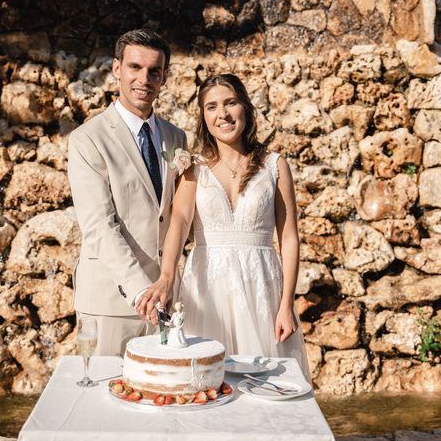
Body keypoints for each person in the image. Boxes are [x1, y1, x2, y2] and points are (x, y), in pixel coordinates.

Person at [136, 74, 310, 380]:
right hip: (206, 288)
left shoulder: (275, 165)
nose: (223, 114)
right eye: (212, 107)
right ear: (204, 118)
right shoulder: (193, 168)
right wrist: (166, 276)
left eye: (231, 103)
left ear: (245, 108)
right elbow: (179, 221)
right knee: (205, 379)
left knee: (265, 380)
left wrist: (286, 304)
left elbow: (289, 237)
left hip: (262, 289)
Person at [68, 29, 187, 356]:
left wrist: (165, 285)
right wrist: (141, 293)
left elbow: (179, 216)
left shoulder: (177, 139)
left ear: (164, 77)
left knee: (158, 398)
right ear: (117, 69)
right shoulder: (87, 139)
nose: (144, 78)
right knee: (101, 402)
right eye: (135, 67)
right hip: (110, 301)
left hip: (165, 299)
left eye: (154, 71)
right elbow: (99, 225)